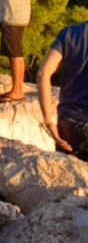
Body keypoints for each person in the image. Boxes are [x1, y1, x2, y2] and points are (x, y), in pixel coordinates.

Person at [37, 22, 88, 159]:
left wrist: (48, 121)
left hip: (69, 122)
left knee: (67, 177)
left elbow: (43, 73)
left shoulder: (70, 33)